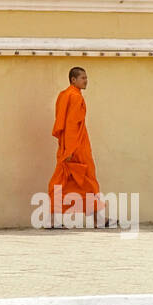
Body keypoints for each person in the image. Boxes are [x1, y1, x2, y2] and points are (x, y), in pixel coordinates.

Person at [47, 67, 114, 228]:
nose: (86, 81)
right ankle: (54, 221)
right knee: (82, 183)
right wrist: (70, 150)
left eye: (86, 78)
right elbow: (70, 124)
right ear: (73, 80)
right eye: (83, 78)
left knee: (73, 184)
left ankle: (98, 219)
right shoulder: (74, 97)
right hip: (75, 148)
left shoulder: (65, 95)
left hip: (70, 146)